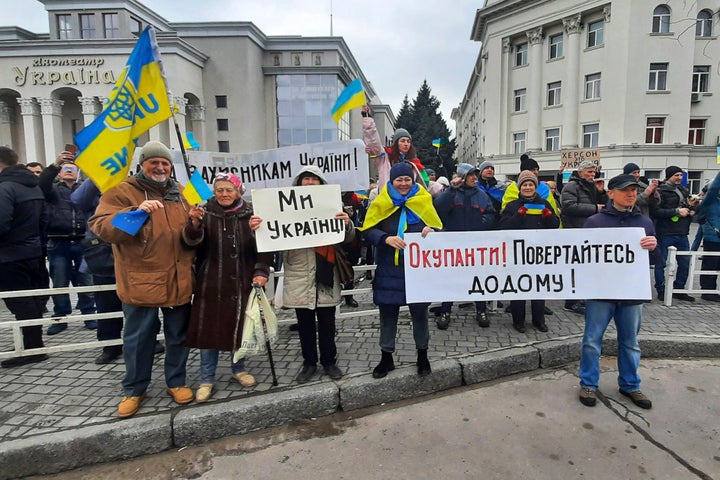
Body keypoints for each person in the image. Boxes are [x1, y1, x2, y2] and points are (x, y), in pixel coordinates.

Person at [89, 141, 197, 418]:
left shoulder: (182, 193)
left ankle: (176, 382)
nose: (160, 167)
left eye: (165, 163)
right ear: (142, 165)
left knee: (178, 337)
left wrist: (197, 225)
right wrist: (136, 213)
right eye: (154, 163)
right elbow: (103, 228)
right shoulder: (122, 190)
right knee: (138, 340)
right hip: (141, 282)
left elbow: (192, 234)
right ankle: (135, 389)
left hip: (179, 279)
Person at [250, 165, 354, 384]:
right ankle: (309, 363)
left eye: (314, 179)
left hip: (326, 274)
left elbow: (347, 239)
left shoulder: (332, 206)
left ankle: (329, 361)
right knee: (305, 324)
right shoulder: (283, 209)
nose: (309, 183)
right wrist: (257, 228)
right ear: (298, 184)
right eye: (305, 179)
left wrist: (347, 224)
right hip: (298, 273)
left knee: (327, 323)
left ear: (321, 183)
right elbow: (269, 239)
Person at [182, 173, 273, 402]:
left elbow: (264, 247)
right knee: (208, 332)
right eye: (220, 189)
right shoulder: (204, 212)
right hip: (211, 281)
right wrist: (193, 224)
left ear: (239, 192)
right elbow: (189, 243)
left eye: (229, 190)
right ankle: (206, 379)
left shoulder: (252, 214)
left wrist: (261, 271)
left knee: (239, 328)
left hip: (242, 280)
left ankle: (238, 369)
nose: (224, 194)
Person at [578, 174, 658, 409]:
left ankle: (630, 385)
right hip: (601, 293)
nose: (631, 193)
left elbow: (654, 260)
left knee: (631, 342)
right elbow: (581, 258)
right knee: (592, 341)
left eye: (634, 189)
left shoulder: (645, 223)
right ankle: (589, 384)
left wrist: (653, 248)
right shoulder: (594, 222)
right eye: (625, 190)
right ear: (611, 193)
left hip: (631, 294)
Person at [360, 162, 443, 378]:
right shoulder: (382, 201)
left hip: (417, 270)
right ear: (392, 181)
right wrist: (385, 238)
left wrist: (431, 229)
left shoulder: (424, 200)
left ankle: (422, 355)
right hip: (390, 268)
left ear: (413, 180)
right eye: (399, 180)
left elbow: (439, 227)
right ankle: (386, 357)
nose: (404, 183)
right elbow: (367, 230)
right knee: (388, 314)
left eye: (407, 179)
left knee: (420, 315)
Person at [0, 147, 49, 368]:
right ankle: (30, 343)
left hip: (9, 255)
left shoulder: (5, 189)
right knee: (31, 299)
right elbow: (44, 220)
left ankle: (32, 348)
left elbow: (1, 223)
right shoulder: (33, 186)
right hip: (33, 251)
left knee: (20, 301)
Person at [38, 151, 96, 334]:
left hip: (82, 241)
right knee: (59, 283)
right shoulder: (53, 190)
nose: (69, 171)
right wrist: (55, 165)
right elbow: (42, 183)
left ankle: (89, 315)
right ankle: (60, 317)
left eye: (73, 168)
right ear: (60, 173)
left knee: (86, 281)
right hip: (58, 242)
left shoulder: (83, 189)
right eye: (66, 169)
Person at [433, 163, 495, 329]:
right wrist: (451, 191)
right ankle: (445, 311)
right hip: (453, 245)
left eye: (476, 175)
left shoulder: (481, 195)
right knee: (451, 279)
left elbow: (490, 214)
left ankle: (481, 310)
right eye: (471, 175)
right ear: (462, 177)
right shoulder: (451, 194)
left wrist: (479, 225)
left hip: (475, 245)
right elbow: (438, 209)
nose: (475, 178)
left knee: (478, 278)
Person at [498, 171, 560, 333]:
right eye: (524, 185)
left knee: (539, 287)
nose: (527, 187)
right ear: (520, 187)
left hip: (539, 253)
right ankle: (518, 321)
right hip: (518, 254)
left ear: (535, 187)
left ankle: (539, 321)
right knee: (518, 288)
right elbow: (503, 227)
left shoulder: (544, 204)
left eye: (530, 184)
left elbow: (555, 225)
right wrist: (518, 216)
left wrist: (548, 217)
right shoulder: (512, 206)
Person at [560, 160, 605, 315]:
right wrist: (594, 209)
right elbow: (569, 207)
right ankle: (571, 301)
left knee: (587, 268)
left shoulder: (591, 186)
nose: (592, 175)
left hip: (589, 231)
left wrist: (601, 193)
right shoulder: (571, 187)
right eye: (589, 172)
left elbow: (604, 205)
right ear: (580, 173)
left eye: (593, 172)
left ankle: (583, 297)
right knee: (576, 268)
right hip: (575, 231)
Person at [649, 166, 696, 301]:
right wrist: (676, 212)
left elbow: (688, 205)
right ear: (669, 176)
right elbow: (656, 212)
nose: (679, 178)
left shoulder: (684, 190)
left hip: (682, 232)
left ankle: (679, 289)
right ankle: (661, 290)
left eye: (681, 175)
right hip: (665, 232)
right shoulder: (661, 191)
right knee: (661, 263)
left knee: (685, 263)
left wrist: (691, 211)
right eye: (676, 175)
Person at [361, 106, 429, 190]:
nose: (406, 144)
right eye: (402, 141)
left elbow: (424, 183)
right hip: (388, 197)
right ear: (396, 143)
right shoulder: (384, 157)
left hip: (408, 199)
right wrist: (367, 117)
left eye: (408, 141)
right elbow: (373, 141)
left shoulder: (414, 163)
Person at [697, 172, 720, 302]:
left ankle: (713, 291)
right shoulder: (710, 199)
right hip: (713, 238)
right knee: (710, 265)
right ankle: (707, 291)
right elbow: (713, 188)